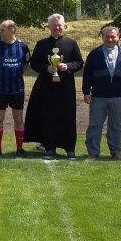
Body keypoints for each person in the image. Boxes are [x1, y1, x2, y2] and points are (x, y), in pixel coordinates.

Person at [24, 13, 84, 160]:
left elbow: (79, 62)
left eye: (59, 25)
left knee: (67, 116)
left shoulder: (71, 43)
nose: (57, 28)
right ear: (49, 27)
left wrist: (67, 66)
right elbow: (34, 63)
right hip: (46, 87)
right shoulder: (41, 44)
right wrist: (47, 68)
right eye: (54, 25)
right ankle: (49, 148)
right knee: (48, 116)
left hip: (66, 87)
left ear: (64, 26)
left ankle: (70, 149)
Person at [82, 26, 121, 159]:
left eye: (113, 36)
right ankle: (93, 152)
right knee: (95, 125)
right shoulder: (94, 53)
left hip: (118, 96)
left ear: (118, 37)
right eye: (107, 37)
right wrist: (86, 92)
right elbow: (87, 74)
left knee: (115, 125)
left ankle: (116, 151)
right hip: (98, 96)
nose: (110, 39)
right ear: (102, 37)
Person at [0, 20, 31, 157]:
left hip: (17, 89)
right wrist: (0, 76)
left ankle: (19, 149)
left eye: (2, 29)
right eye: (0, 29)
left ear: (12, 30)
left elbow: (26, 63)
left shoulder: (23, 46)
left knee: (18, 118)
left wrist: (16, 74)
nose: (0, 32)